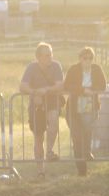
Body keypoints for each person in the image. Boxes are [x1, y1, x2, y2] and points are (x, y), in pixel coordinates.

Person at [20, 42, 65, 177]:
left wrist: (45, 90)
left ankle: (49, 151)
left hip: (52, 102)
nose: (50, 57)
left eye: (51, 54)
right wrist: (35, 93)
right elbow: (22, 86)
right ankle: (40, 169)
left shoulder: (56, 66)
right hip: (36, 105)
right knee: (38, 138)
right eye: (46, 55)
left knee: (53, 124)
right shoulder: (31, 67)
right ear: (38, 57)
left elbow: (60, 86)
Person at [64, 47, 107, 176]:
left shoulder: (97, 69)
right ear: (80, 58)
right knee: (77, 137)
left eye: (90, 58)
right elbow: (67, 85)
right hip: (73, 108)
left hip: (91, 107)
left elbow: (103, 85)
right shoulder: (73, 69)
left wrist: (92, 90)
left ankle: (87, 152)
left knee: (87, 132)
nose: (88, 61)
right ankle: (81, 170)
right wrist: (83, 90)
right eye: (85, 58)